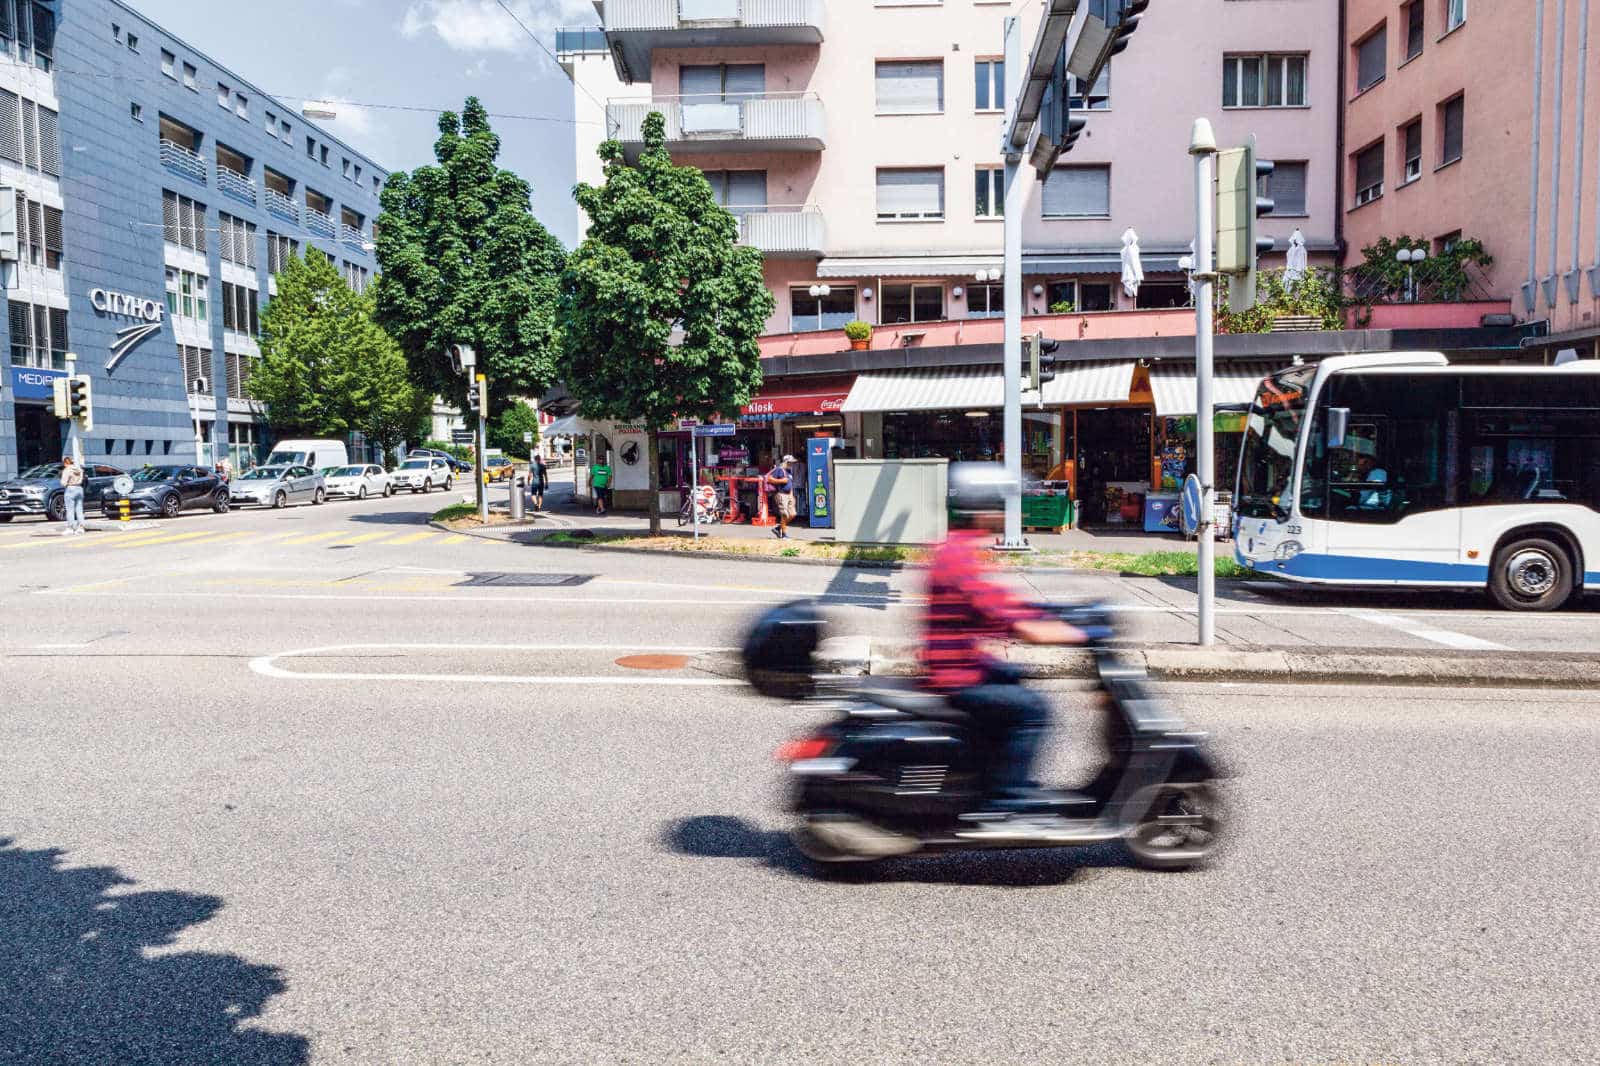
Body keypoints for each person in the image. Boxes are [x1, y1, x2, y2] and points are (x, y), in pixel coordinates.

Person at [921, 464, 1085, 834]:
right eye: (1001, 505)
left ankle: (993, 772)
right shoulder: (959, 558)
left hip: (962, 663)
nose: (1006, 514)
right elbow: (1000, 613)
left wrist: (1052, 611)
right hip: (955, 675)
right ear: (983, 508)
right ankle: (1005, 801)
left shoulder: (960, 548)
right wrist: (1067, 633)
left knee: (1015, 676)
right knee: (1033, 709)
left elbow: (998, 601)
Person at [766, 454, 797, 539]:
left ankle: (778, 528)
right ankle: (784, 534)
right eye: (790, 462)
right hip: (781, 494)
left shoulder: (789, 471)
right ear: (786, 462)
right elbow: (769, 479)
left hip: (789, 495)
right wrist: (782, 480)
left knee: (793, 514)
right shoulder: (779, 470)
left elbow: (790, 484)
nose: (792, 464)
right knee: (785, 515)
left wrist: (792, 496)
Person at [59, 455, 86, 536]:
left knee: (70, 510)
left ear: (65, 463)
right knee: (79, 509)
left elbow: (63, 483)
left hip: (70, 489)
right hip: (79, 488)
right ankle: (81, 528)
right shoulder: (79, 470)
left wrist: (64, 483)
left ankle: (70, 528)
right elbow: (82, 479)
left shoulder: (67, 470)